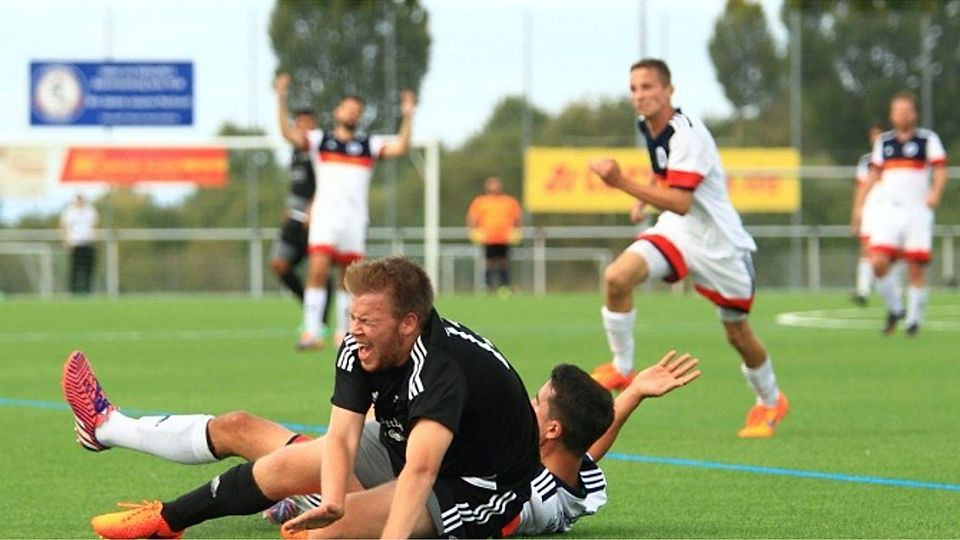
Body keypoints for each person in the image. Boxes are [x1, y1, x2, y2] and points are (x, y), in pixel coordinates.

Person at [82, 256, 542, 539]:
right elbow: (341, 438)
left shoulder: (440, 366)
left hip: (477, 487)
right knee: (286, 467)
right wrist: (334, 496)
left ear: (408, 323)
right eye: (352, 316)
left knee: (328, 536)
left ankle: (316, 510)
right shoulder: (360, 347)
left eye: (368, 320)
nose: (354, 329)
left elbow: (422, 471)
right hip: (407, 449)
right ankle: (169, 521)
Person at [63, 344, 699, 537]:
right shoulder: (571, 472)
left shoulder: (529, 495)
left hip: (411, 491)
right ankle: (107, 425)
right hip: (394, 464)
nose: (522, 404)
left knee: (312, 523)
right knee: (238, 427)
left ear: (550, 427)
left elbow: (563, 464)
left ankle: (286, 503)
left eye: (535, 402)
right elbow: (586, 452)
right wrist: (632, 396)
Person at [588, 58, 788, 439]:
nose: (639, 95)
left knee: (737, 334)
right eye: (633, 88)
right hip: (679, 231)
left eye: (647, 87)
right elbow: (662, 174)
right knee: (617, 277)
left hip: (720, 246)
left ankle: (770, 400)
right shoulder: (649, 127)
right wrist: (644, 197)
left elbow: (680, 199)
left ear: (668, 91)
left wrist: (620, 182)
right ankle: (623, 366)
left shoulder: (689, 134)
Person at [274, 73, 415, 350]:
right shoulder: (320, 141)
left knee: (348, 278)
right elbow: (287, 134)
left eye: (357, 111)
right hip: (326, 217)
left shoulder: (368, 145)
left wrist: (408, 115)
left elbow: (401, 146)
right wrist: (281, 98)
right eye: (348, 108)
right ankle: (312, 331)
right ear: (337, 112)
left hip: (354, 219)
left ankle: (344, 332)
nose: (352, 113)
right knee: (318, 269)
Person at [853, 92, 948, 336]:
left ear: (914, 114)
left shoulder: (928, 140)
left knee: (915, 268)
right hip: (889, 212)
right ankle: (896, 307)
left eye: (906, 110)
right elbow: (873, 175)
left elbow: (940, 170)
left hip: (918, 212)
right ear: (892, 115)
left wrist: (935, 193)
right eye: (897, 111)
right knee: (877, 261)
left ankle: (914, 320)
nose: (902, 115)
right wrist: (859, 206)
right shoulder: (883, 143)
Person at [850, 123, 888, 306]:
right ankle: (863, 290)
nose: (876, 139)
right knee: (866, 249)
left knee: (888, 252)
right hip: (870, 210)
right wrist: (856, 215)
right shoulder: (865, 161)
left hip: (889, 209)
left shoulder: (893, 157)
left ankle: (891, 291)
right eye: (873, 136)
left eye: (880, 136)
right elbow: (860, 188)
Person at [466, 175, 523, 293]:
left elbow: (517, 218)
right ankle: (487, 286)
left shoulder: (509, 201)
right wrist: (472, 230)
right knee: (489, 262)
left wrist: (517, 230)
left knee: (504, 261)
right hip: (488, 238)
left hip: (504, 238)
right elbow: (472, 218)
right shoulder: (481, 202)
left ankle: (505, 286)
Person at [59, 194, 99, 294]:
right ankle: (73, 290)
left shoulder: (90, 211)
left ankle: (87, 289)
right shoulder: (70, 212)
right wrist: (65, 239)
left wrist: (94, 238)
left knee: (88, 268)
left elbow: (94, 225)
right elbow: (63, 225)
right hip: (75, 243)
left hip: (88, 242)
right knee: (74, 268)